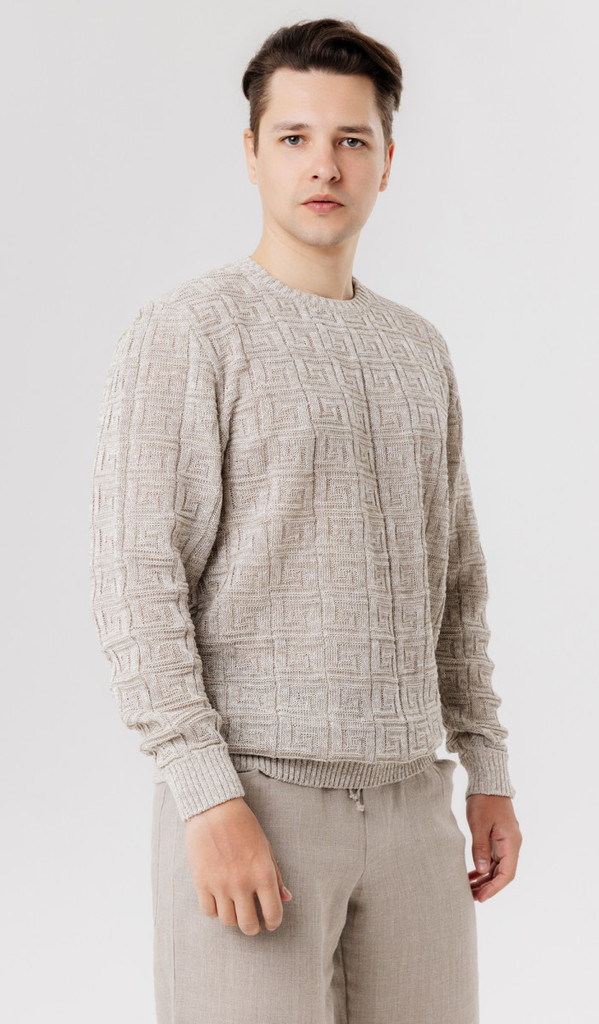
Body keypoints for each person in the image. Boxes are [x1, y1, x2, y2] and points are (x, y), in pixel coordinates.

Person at [89, 16, 522, 1024]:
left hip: (415, 813)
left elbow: (456, 580)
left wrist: (487, 766)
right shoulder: (190, 330)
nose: (323, 164)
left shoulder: (418, 349)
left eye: (350, 139)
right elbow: (136, 575)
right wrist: (206, 793)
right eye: (294, 137)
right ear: (251, 152)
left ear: (386, 162)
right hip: (256, 804)